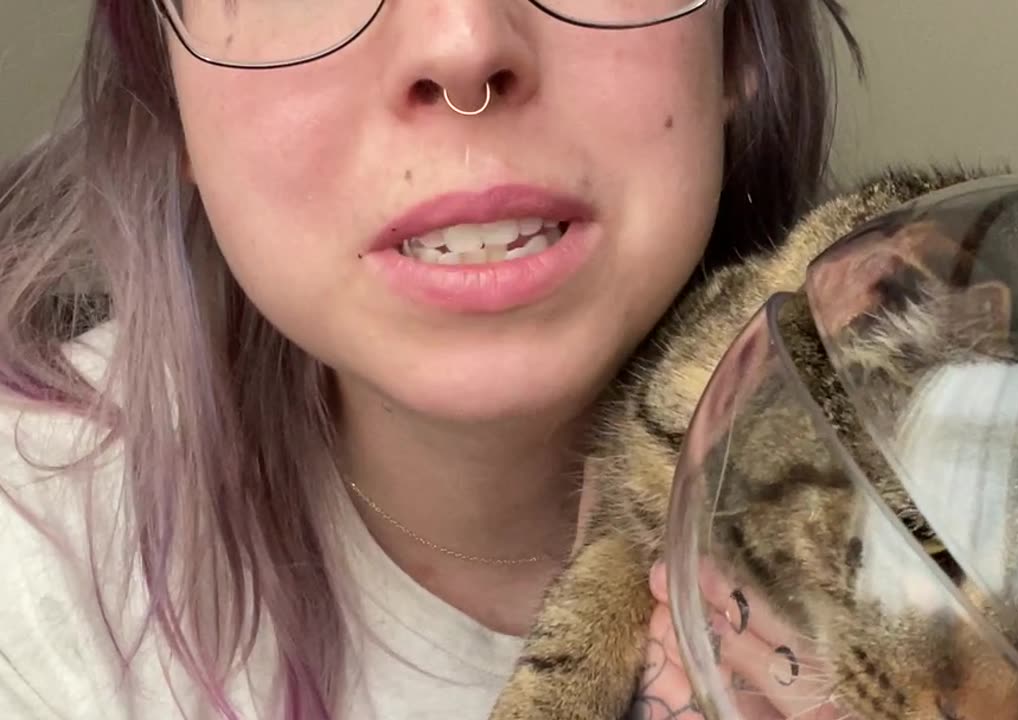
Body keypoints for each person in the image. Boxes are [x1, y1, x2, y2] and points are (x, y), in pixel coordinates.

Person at [0, 0, 861, 717]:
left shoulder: (978, 494)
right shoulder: (29, 571)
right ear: (170, 96)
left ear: (737, 41)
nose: (465, 45)